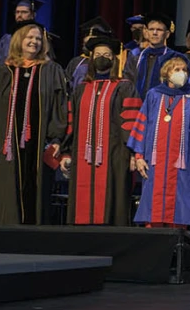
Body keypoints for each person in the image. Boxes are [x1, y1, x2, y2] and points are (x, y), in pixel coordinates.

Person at [0, 20, 69, 225]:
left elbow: (59, 106)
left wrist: (56, 139)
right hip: (6, 147)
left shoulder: (51, 70)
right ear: (19, 40)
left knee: (36, 194)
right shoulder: (3, 72)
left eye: (38, 38)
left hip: (39, 148)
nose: (34, 42)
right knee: (6, 193)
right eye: (30, 37)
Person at [129, 55, 190, 227]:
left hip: (186, 164)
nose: (182, 73)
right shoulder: (154, 95)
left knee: (182, 207)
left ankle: (179, 242)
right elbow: (142, 126)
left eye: (184, 70)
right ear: (166, 72)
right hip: (156, 164)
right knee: (154, 207)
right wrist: (139, 156)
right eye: (177, 69)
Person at [60, 37, 142, 226]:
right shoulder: (80, 89)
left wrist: (133, 154)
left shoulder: (125, 87)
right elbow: (70, 123)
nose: (102, 58)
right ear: (91, 59)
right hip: (82, 155)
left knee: (114, 198)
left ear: (114, 59)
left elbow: (132, 122)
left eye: (106, 55)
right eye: (97, 55)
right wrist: (65, 151)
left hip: (116, 155)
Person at [125, 13, 180, 98]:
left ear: (167, 34)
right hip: (138, 105)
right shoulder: (136, 56)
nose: (154, 33)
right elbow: (128, 82)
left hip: (163, 105)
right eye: (151, 29)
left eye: (159, 30)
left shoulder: (174, 57)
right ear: (146, 32)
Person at [0, 0, 43, 70]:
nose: (19, 15)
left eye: (24, 12)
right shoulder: (7, 38)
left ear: (33, 15)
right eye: (17, 12)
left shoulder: (40, 38)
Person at [65, 16, 114, 90]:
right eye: (84, 43)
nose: (86, 46)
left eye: (89, 43)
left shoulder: (106, 62)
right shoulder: (76, 62)